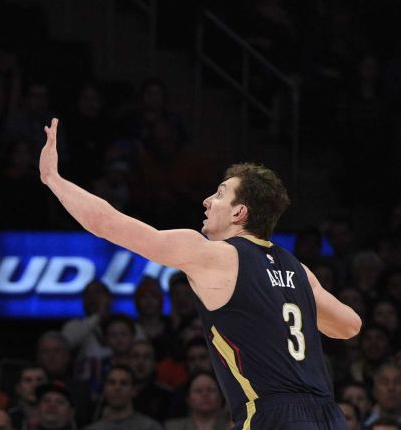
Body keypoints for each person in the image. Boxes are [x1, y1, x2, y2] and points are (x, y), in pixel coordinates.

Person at [38, 118, 362, 429]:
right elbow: (349, 326)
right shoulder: (298, 269)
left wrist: (53, 178)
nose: (207, 201)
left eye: (220, 193)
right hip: (328, 416)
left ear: (240, 212)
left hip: (271, 414)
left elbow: (107, 223)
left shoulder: (213, 255)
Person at [84, 365, 162, 430]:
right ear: (104, 389)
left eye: (124, 383)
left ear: (134, 390)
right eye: (112, 383)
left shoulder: (150, 427)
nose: (117, 388)